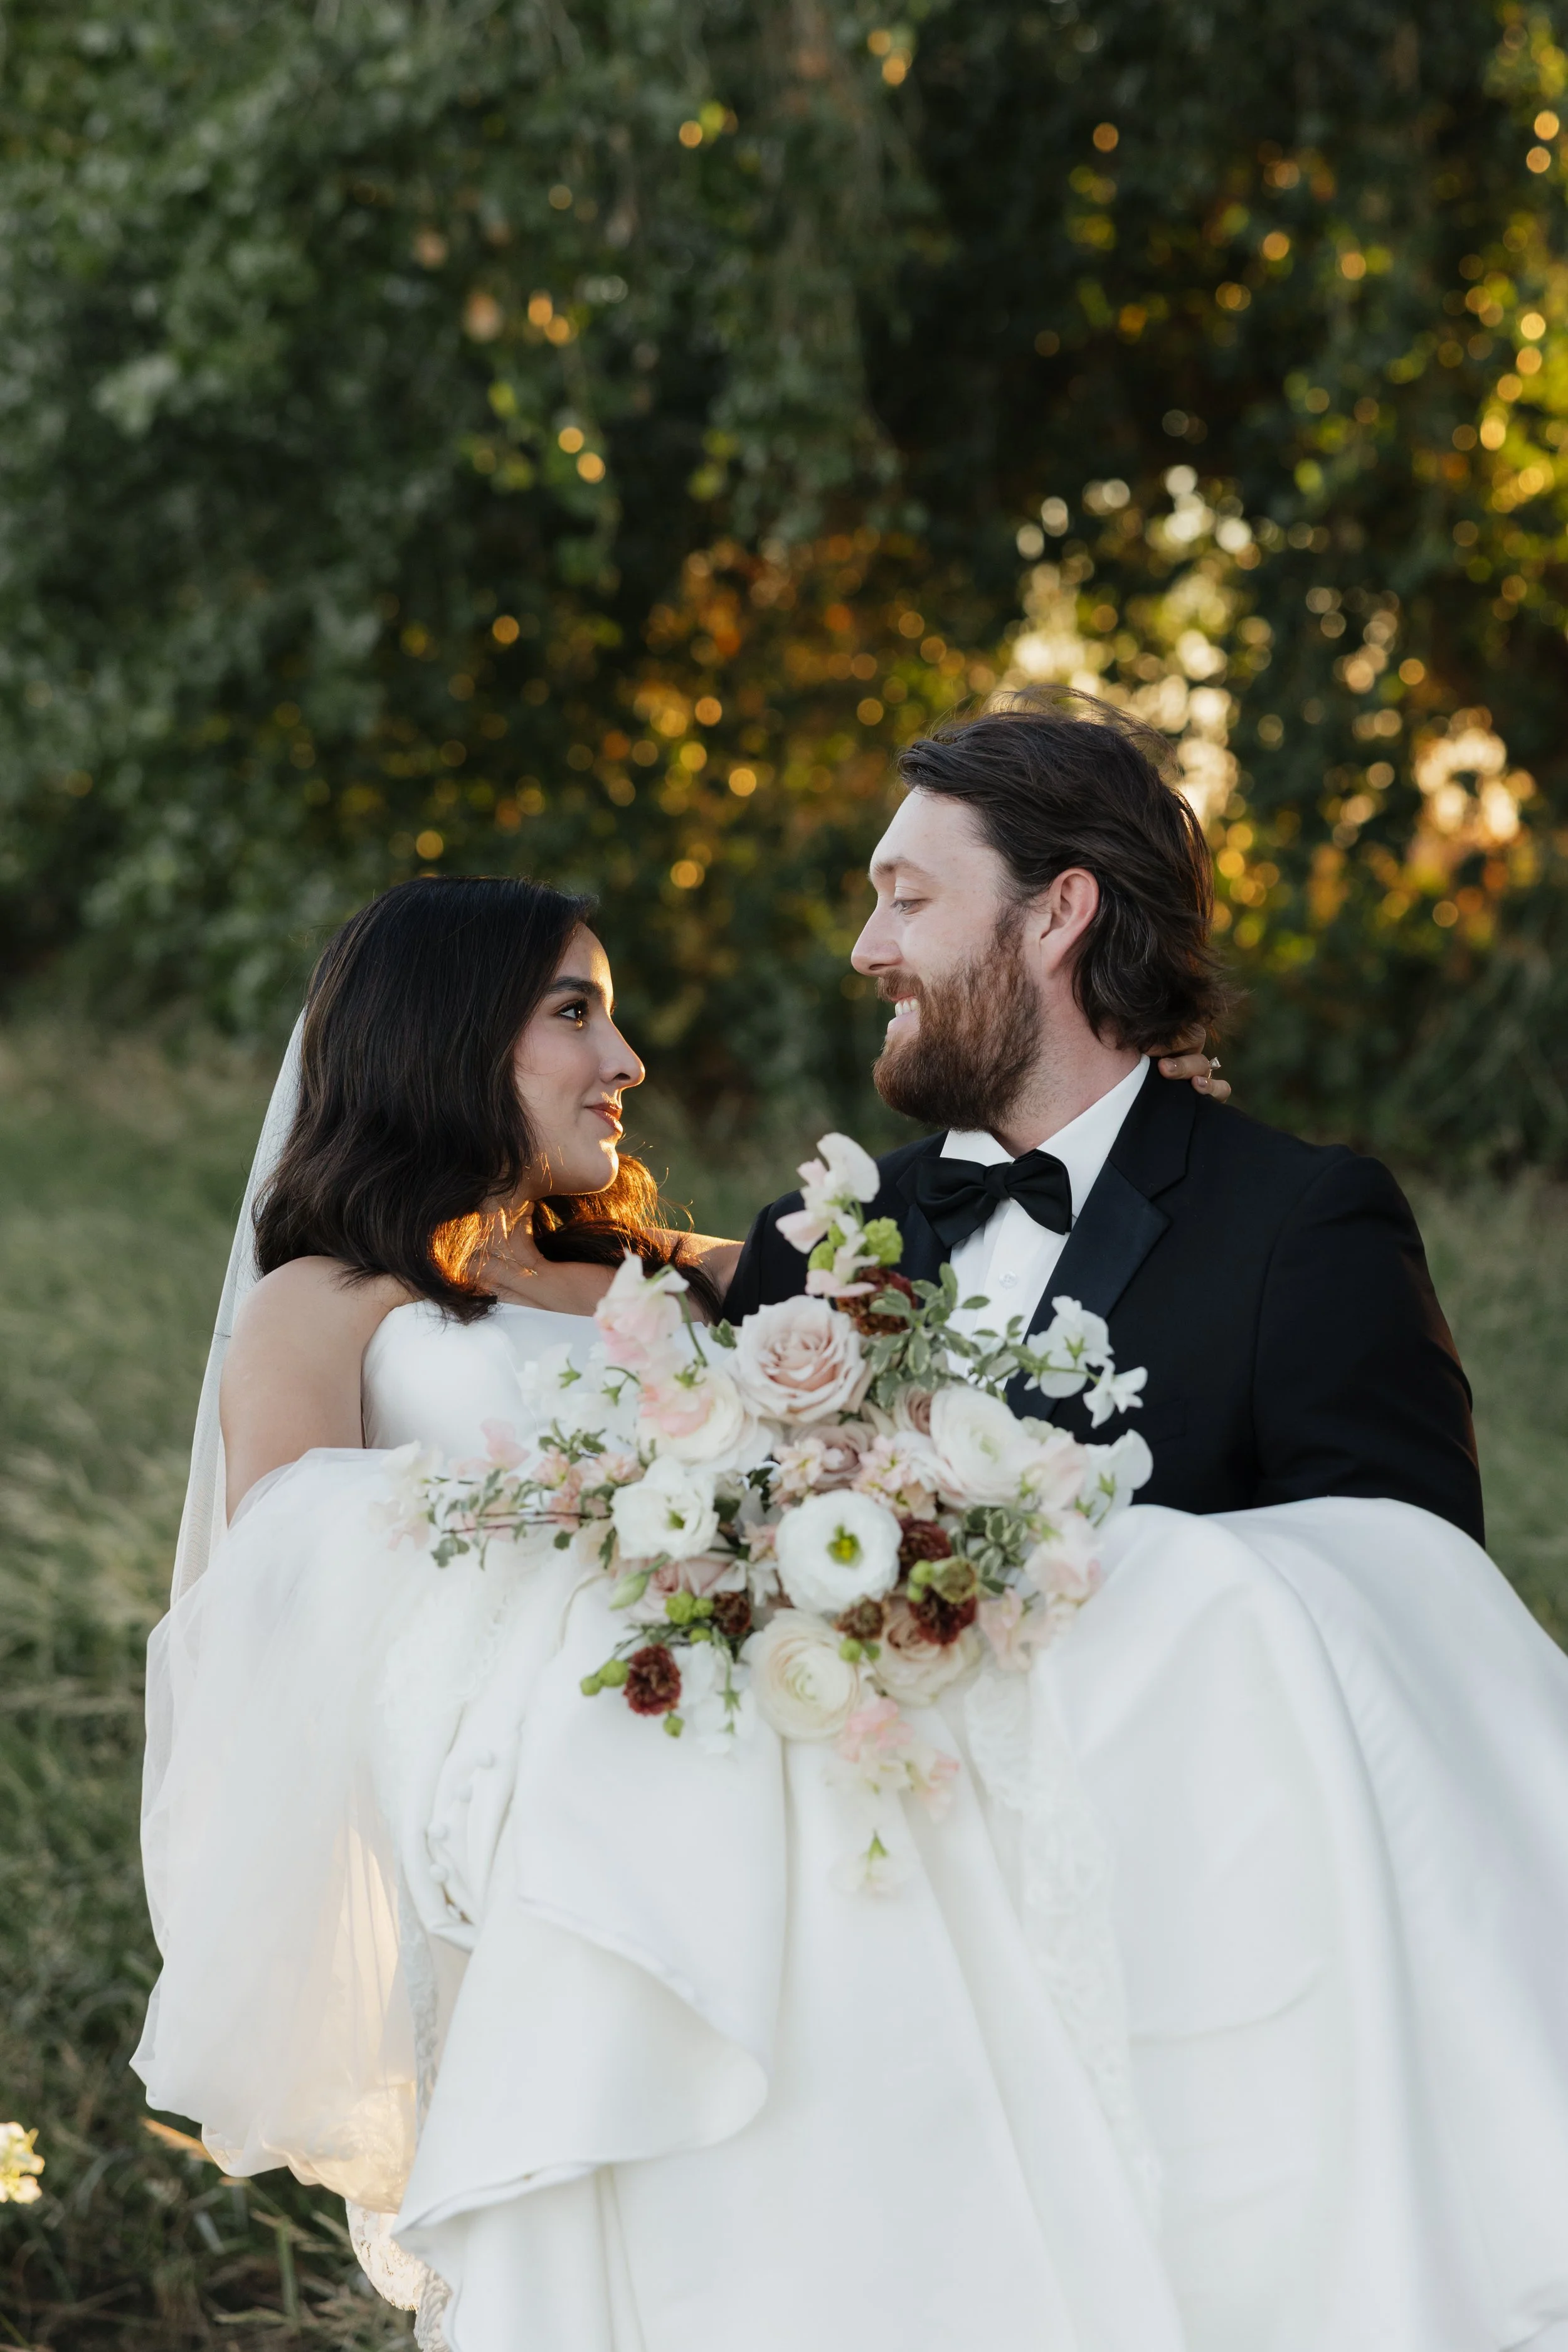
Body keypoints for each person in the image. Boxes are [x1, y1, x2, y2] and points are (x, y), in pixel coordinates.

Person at [133, 865, 1568, 2352]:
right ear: (442, 1032)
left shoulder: (661, 1275)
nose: (624, 1065)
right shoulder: (331, 1298)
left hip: (768, 1715)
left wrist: (1144, 1115)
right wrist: (593, 1546)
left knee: (1230, 1605)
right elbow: (285, 1604)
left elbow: (929, 1237)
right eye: (577, 1016)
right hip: (570, 1748)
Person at [726, 695, 1485, 1541]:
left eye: (907, 900)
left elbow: (1411, 1597)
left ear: (1059, 912)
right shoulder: (803, 1246)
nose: (866, 949)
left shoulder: (1305, 1235)